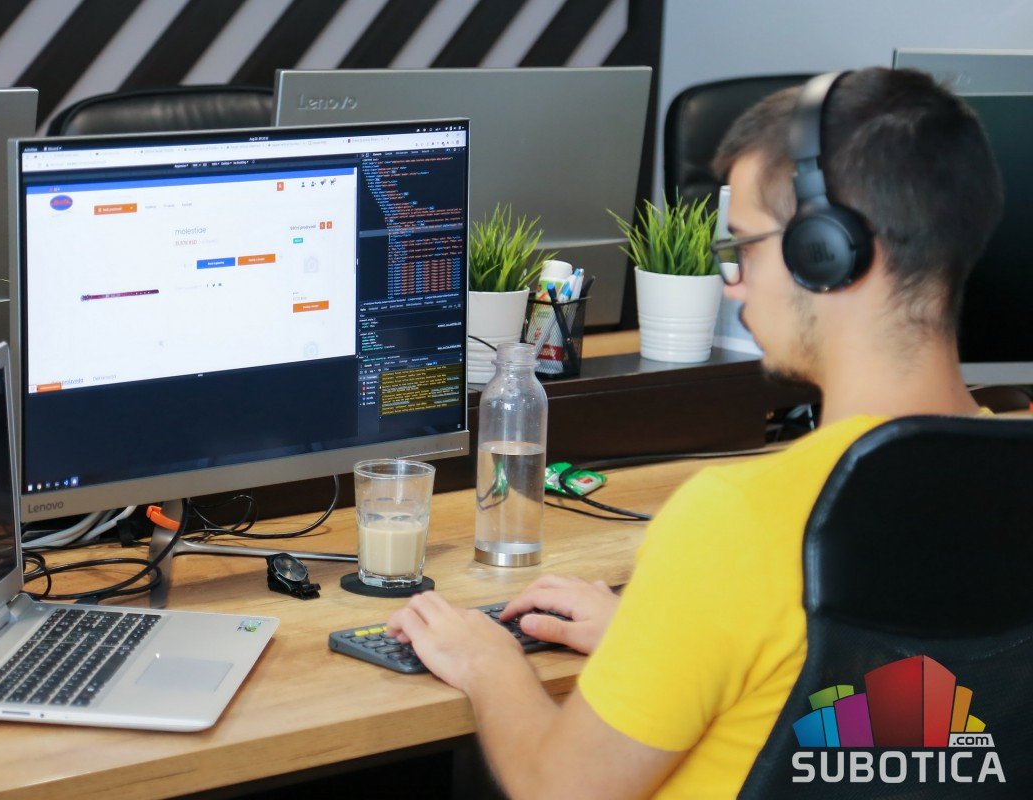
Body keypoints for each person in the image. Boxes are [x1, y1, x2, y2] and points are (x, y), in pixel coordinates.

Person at [387, 67, 1003, 799]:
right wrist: (659, 637)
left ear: (827, 253)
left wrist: (488, 659)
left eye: (743, 244)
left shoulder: (737, 522)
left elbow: (559, 790)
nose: (732, 282)